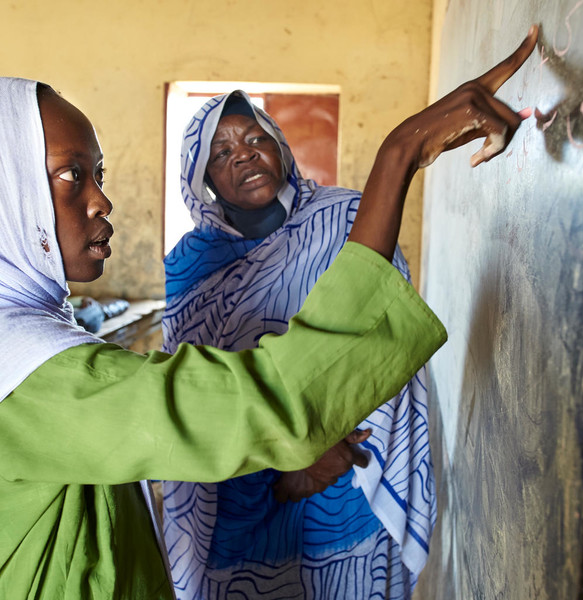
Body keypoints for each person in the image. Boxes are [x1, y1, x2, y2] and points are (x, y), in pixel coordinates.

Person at [0, 23, 537, 599]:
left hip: (344, 492)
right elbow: (262, 403)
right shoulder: (28, 372)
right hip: (249, 505)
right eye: (71, 175)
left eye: (99, 175)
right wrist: (400, 152)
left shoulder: (38, 343)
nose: (102, 199)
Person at [162, 27, 539, 599]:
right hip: (243, 502)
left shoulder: (345, 218)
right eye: (221, 152)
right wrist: (284, 471)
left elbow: (382, 326)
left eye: (255, 137)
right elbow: (189, 396)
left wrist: (321, 451)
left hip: (348, 476)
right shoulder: (191, 268)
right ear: (204, 180)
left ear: (279, 146)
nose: (244, 154)